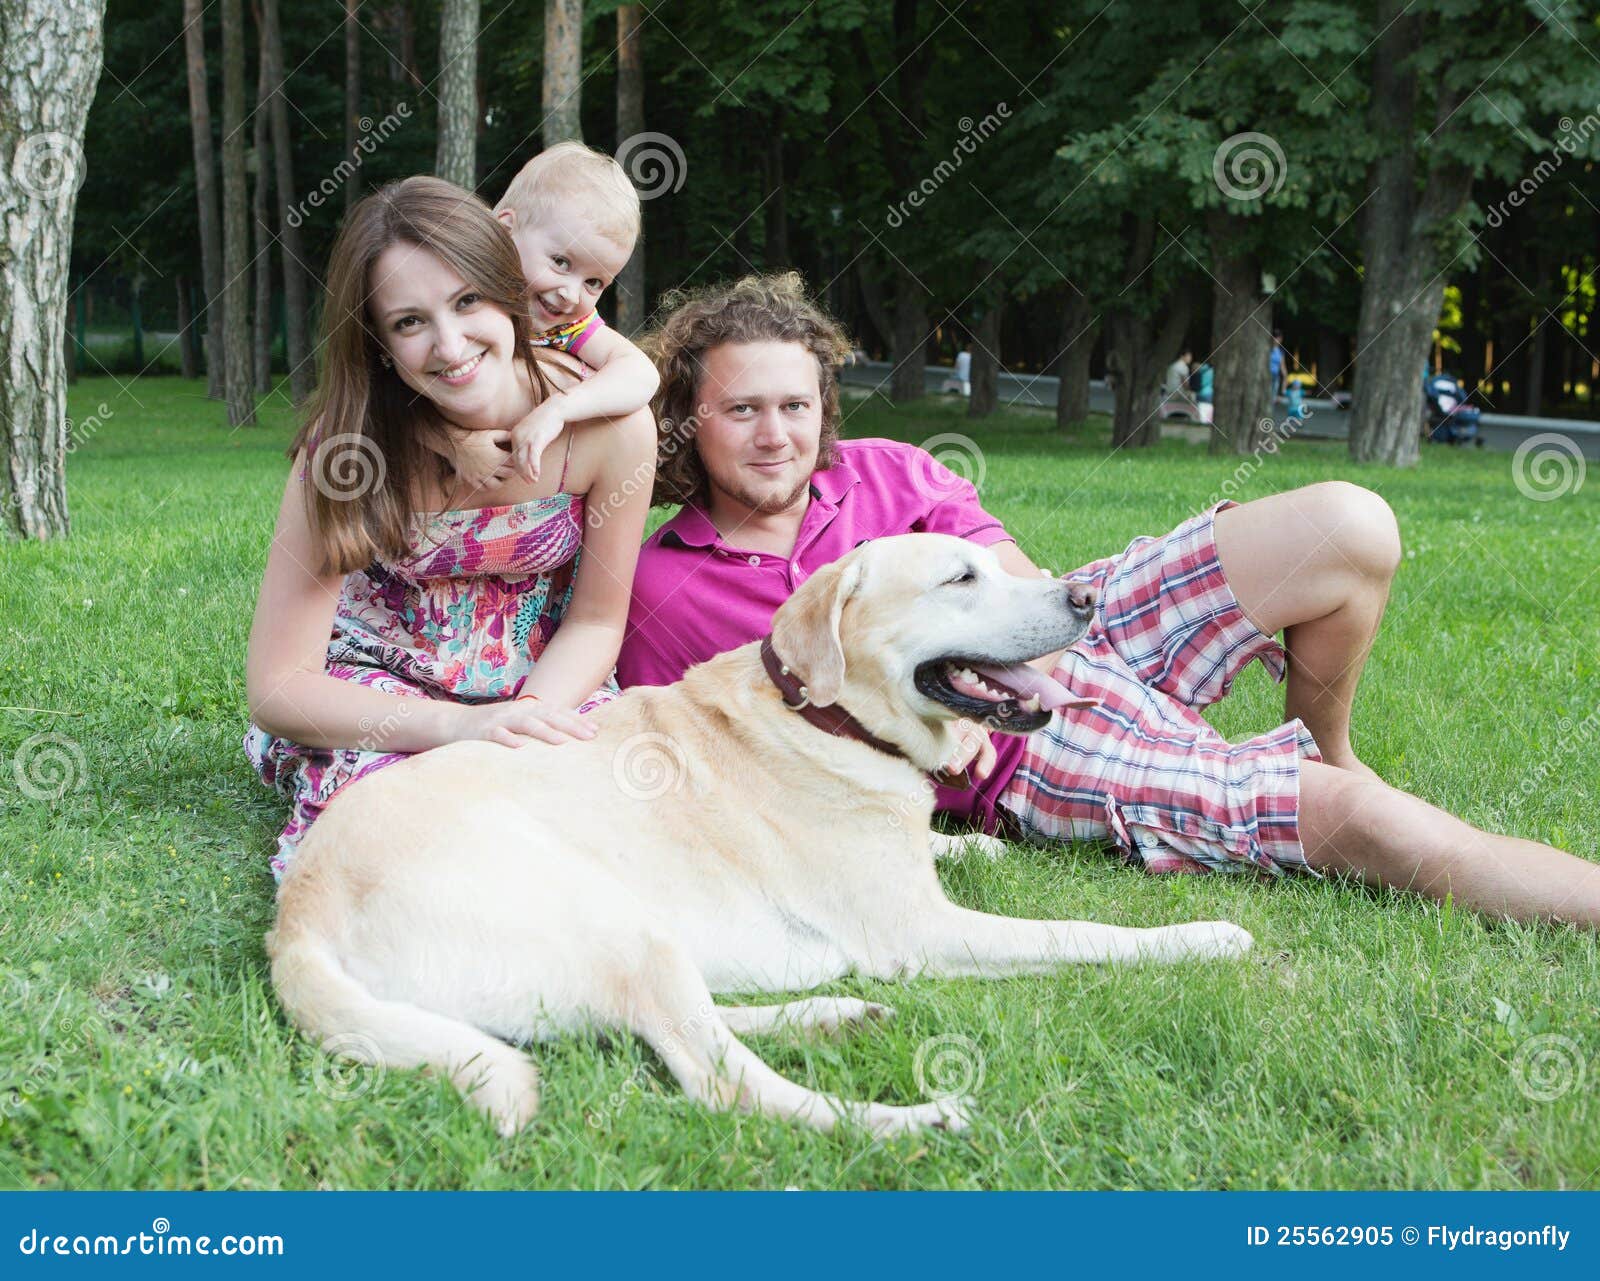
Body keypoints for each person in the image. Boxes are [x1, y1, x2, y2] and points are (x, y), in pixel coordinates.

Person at [617, 272, 1600, 928]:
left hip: (1070, 630)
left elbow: (1024, 588)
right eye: (741, 410)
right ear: (686, 421)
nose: (775, 435)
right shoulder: (665, 582)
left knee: (1350, 526)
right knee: (1363, 823)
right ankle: (1340, 796)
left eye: (795, 406)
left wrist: (1060, 663)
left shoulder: (892, 472)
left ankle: (1322, 741)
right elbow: (711, 755)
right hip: (1020, 751)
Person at [244, 177, 655, 880]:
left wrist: (521, 721)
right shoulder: (347, 451)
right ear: (378, 340)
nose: (450, 343)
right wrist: (463, 729)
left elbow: (593, 624)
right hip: (382, 695)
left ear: (507, 287)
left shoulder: (608, 428)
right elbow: (280, 685)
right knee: (402, 845)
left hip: (545, 682)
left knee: (604, 830)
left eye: (468, 301)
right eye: (409, 322)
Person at [445, 142, 660, 489]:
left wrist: (558, 409)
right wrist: (452, 442)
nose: (571, 294)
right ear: (505, 230)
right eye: (561, 262)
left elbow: (641, 375)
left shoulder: (569, 326)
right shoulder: (458, 299)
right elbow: (390, 382)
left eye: (594, 282)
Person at [1190, 354, 1215, 424]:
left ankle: (1201, 422)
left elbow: (1193, 386)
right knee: (1208, 412)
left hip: (1200, 395)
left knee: (1200, 412)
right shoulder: (1212, 371)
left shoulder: (1198, 370)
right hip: (1210, 395)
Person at [1269, 329, 1286, 399]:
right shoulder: (1267, 349)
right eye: (1274, 337)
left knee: (1273, 397)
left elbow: (1282, 366)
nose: (1276, 339)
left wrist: (1285, 377)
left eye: (1278, 337)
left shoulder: (1281, 352)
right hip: (1267, 376)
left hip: (1275, 377)